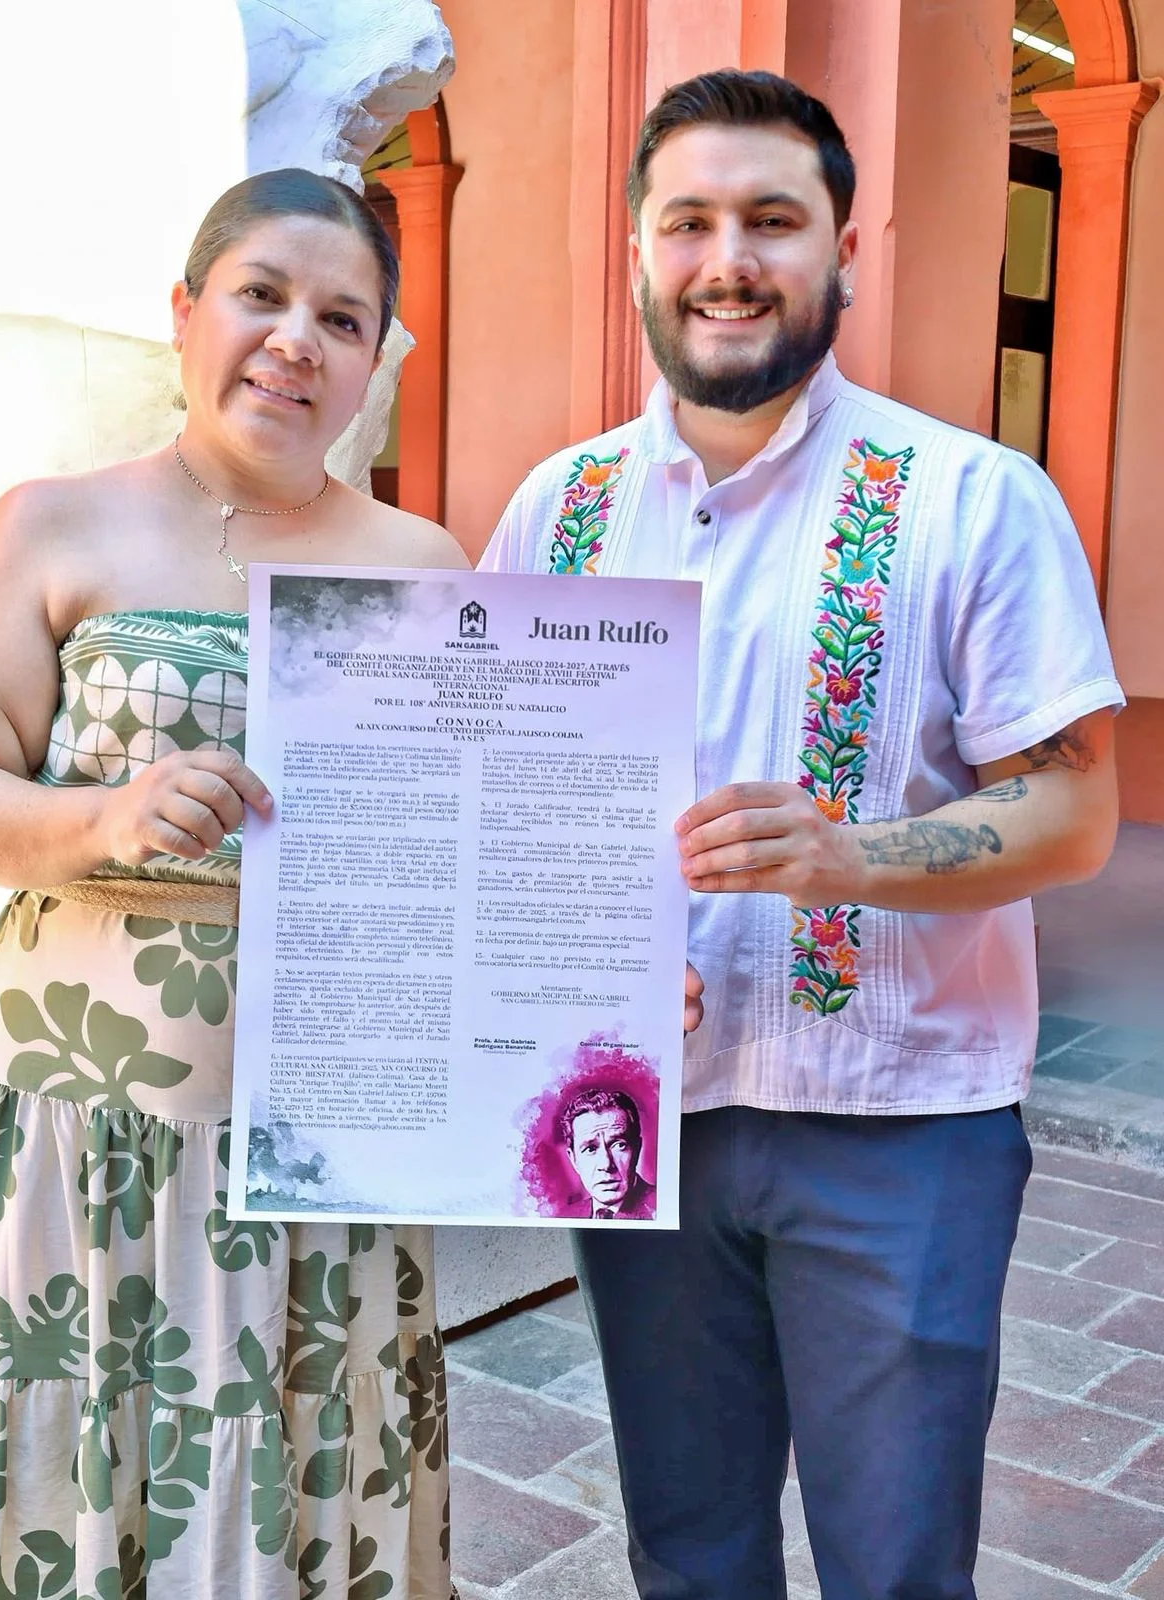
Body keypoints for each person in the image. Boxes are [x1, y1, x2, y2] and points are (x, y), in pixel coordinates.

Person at [480, 69, 1123, 1600]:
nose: (728, 260)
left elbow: (1075, 806)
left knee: (895, 1566)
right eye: (688, 221)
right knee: (688, 1549)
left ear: (844, 250)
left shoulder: (972, 498)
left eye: (772, 219)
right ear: (639, 253)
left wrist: (853, 859)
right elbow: (495, 801)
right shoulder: (560, 511)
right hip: (640, 1117)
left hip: (899, 1126)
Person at [0, 168, 467, 1600]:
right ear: (185, 313)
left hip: (328, 1130)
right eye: (261, 296)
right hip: (79, 1133)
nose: (296, 341)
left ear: (373, 359)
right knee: (82, 1460)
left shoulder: (424, 565)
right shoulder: (50, 527)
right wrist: (104, 818)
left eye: (342, 319)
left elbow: (464, 856)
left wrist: (587, 976)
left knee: (307, 1441)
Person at [559, 1087, 657, 1219]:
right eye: (590, 1149)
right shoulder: (564, 1217)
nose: (606, 1164)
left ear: (637, 1148)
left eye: (619, 1145)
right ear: (574, 1159)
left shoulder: (662, 1207)